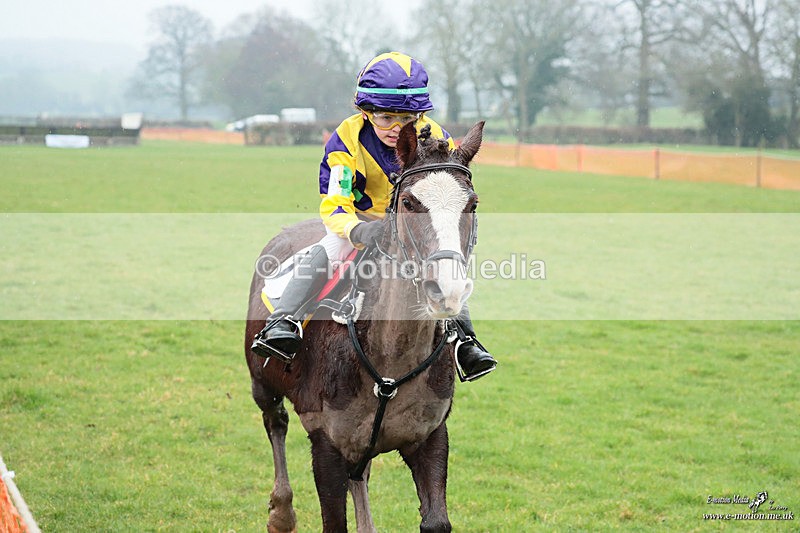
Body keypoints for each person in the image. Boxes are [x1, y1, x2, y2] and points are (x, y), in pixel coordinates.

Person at [251, 51, 497, 381]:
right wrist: (357, 231)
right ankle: (283, 321)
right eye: (386, 118)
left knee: (443, 265)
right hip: (360, 222)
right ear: (366, 112)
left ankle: (465, 342)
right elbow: (335, 203)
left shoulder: (434, 134)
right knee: (331, 249)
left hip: (412, 227)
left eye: (407, 119)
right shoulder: (346, 139)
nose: (397, 127)